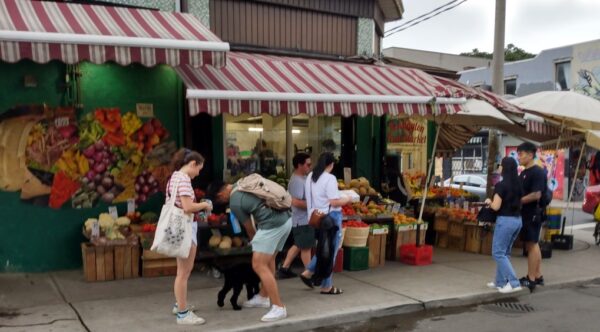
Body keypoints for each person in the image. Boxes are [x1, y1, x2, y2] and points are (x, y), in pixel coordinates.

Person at [206, 179, 292, 322]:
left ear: (221, 193)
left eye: (220, 199)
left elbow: (250, 228)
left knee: (258, 264)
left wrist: (255, 245)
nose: (222, 201)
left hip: (272, 225)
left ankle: (278, 307)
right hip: (286, 219)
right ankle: (264, 297)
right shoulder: (243, 182)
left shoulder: (234, 201)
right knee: (269, 259)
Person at [168, 148, 212, 325]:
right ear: (192, 164)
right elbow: (187, 207)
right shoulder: (184, 180)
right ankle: (183, 314)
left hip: (178, 229)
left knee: (181, 272)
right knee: (184, 273)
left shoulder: (174, 177)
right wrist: (204, 205)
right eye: (199, 169)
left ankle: (180, 304)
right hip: (185, 229)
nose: (198, 173)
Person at [299, 152, 352, 295]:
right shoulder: (330, 178)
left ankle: (308, 271)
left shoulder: (310, 176)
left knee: (324, 248)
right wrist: (348, 199)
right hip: (330, 217)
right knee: (331, 252)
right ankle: (326, 286)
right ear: (331, 164)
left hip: (315, 217)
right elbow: (334, 202)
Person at [485, 157, 524, 294]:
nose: (499, 167)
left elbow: (495, 207)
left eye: (500, 165)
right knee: (505, 252)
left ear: (504, 167)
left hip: (505, 221)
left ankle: (513, 283)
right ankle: (500, 282)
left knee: (498, 252)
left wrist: (489, 201)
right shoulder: (518, 184)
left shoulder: (501, 185)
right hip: (517, 220)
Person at [278, 153, 313, 279]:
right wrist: (313, 205)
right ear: (299, 165)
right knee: (306, 247)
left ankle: (284, 267)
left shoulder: (302, 178)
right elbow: (296, 201)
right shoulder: (297, 181)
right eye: (308, 164)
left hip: (301, 219)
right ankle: (309, 273)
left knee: (299, 244)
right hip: (301, 219)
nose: (310, 166)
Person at [517, 142, 546, 292]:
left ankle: (531, 278)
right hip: (526, 213)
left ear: (530, 154)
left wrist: (519, 201)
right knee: (532, 244)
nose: (519, 157)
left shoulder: (537, 172)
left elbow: (536, 194)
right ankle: (538, 274)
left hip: (533, 213)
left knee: (532, 244)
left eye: (521, 154)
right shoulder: (523, 172)